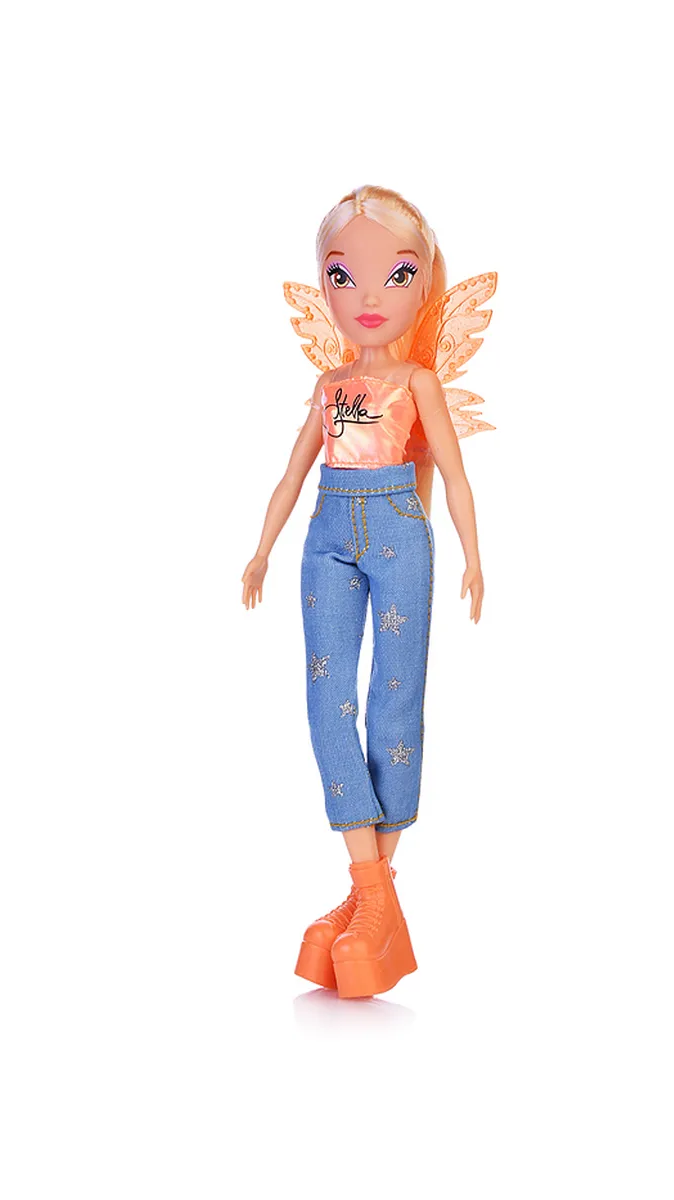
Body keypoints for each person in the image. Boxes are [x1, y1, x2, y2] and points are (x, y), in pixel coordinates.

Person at [241, 184, 497, 998]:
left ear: (424, 286)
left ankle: (365, 902)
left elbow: (452, 471)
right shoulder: (328, 385)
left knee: (394, 700)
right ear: (325, 287)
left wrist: (473, 555)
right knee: (328, 702)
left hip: (397, 530)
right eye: (344, 276)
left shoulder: (418, 381)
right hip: (327, 532)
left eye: (399, 274)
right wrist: (261, 551)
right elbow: (292, 474)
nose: (369, 296)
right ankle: (374, 891)